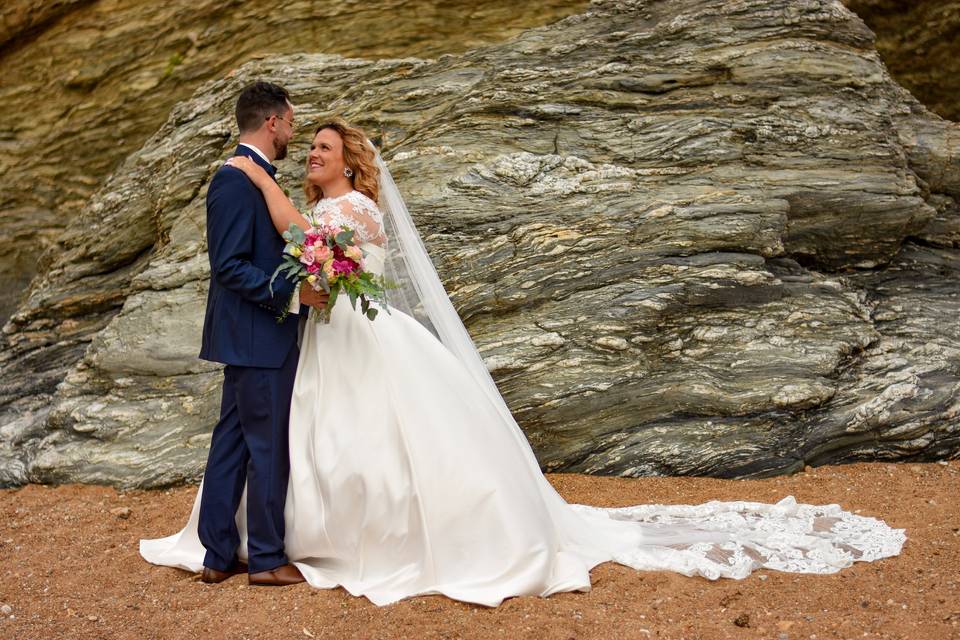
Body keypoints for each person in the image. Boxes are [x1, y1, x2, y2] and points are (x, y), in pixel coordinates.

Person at [141, 115, 907, 606]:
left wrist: (264, 191)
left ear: (351, 164)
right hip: (323, 334)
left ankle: (310, 543)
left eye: (324, 149)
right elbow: (302, 246)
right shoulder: (320, 208)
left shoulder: (349, 212)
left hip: (353, 332)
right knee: (301, 434)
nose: (312, 154)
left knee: (372, 439)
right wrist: (271, 206)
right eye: (308, 147)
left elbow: (316, 246)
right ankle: (263, 543)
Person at [188, 81, 327, 587]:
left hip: (252, 337)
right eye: (290, 123)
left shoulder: (255, 177)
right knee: (267, 447)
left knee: (233, 443)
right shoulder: (233, 180)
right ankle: (266, 559)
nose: (293, 132)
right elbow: (227, 266)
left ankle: (218, 554)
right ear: (272, 122)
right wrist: (292, 297)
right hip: (258, 336)